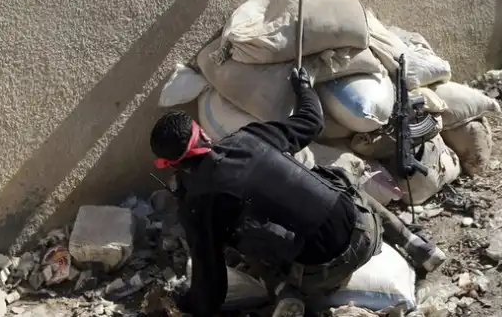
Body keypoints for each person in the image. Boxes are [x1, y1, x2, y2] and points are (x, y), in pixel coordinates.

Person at [150, 67, 446, 317]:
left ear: (170, 165)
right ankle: (417, 245)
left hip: (322, 273)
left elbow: (211, 287)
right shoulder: (248, 138)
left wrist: (185, 303)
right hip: (365, 231)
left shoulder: (195, 207)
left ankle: (285, 293)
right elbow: (311, 122)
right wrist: (304, 88)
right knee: (338, 181)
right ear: (202, 132)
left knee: (245, 239)